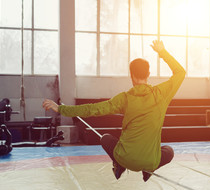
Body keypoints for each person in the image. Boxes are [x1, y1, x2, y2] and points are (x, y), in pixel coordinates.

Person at [42, 40, 186, 182]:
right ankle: (149, 170)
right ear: (148, 74)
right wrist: (162, 51)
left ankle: (119, 165)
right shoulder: (161, 94)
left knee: (105, 138)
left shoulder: (124, 99)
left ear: (132, 75)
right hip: (150, 161)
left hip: (125, 158)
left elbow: (92, 109)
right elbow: (180, 72)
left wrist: (60, 108)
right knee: (169, 152)